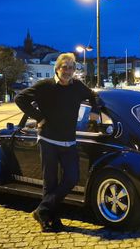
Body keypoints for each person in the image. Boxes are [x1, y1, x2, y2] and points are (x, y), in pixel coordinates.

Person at [15, 53, 100, 232]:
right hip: (48, 138)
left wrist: (95, 110)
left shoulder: (77, 86)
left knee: (71, 178)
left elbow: (93, 95)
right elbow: (20, 98)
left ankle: (43, 210)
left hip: (68, 140)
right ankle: (51, 219)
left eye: (71, 68)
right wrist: (39, 116)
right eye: (64, 67)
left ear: (74, 70)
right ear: (57, 68)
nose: (67, 71)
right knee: (50, 181)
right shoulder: (44, 85)